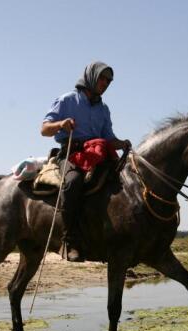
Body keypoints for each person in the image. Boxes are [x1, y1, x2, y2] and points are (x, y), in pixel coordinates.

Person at [41, 61, 130, 262]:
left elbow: (109, 138)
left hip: (98, 155)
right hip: (71, 153)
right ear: (90, 77)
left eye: (109, 81)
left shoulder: (104, 109)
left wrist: (122, 143)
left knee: (122, 183)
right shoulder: (67, 100)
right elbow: (44, 129)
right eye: (102, 78)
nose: (105, 83)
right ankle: (69, 240)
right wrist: (61, 124)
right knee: (73, 183)